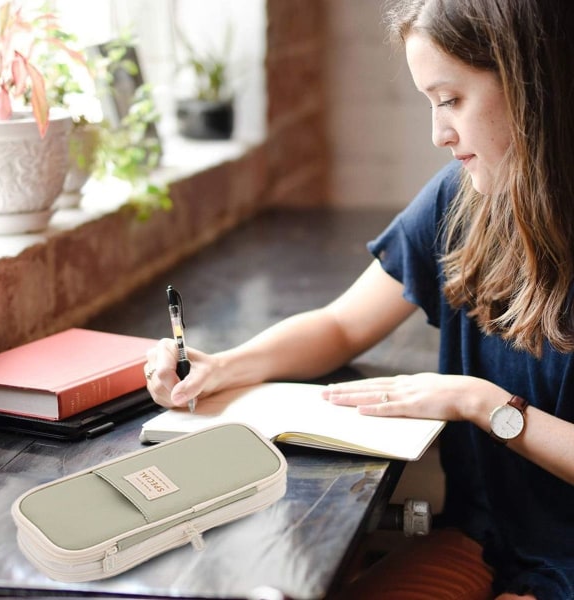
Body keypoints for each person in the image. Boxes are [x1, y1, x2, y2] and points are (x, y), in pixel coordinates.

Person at [145, 0, 574, 598]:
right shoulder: (460, 198)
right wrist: (223, 366)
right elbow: (342, 326)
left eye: (451, 100)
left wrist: (483, 403)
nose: (437, 133)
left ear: (534, 85)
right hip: (484, 541)